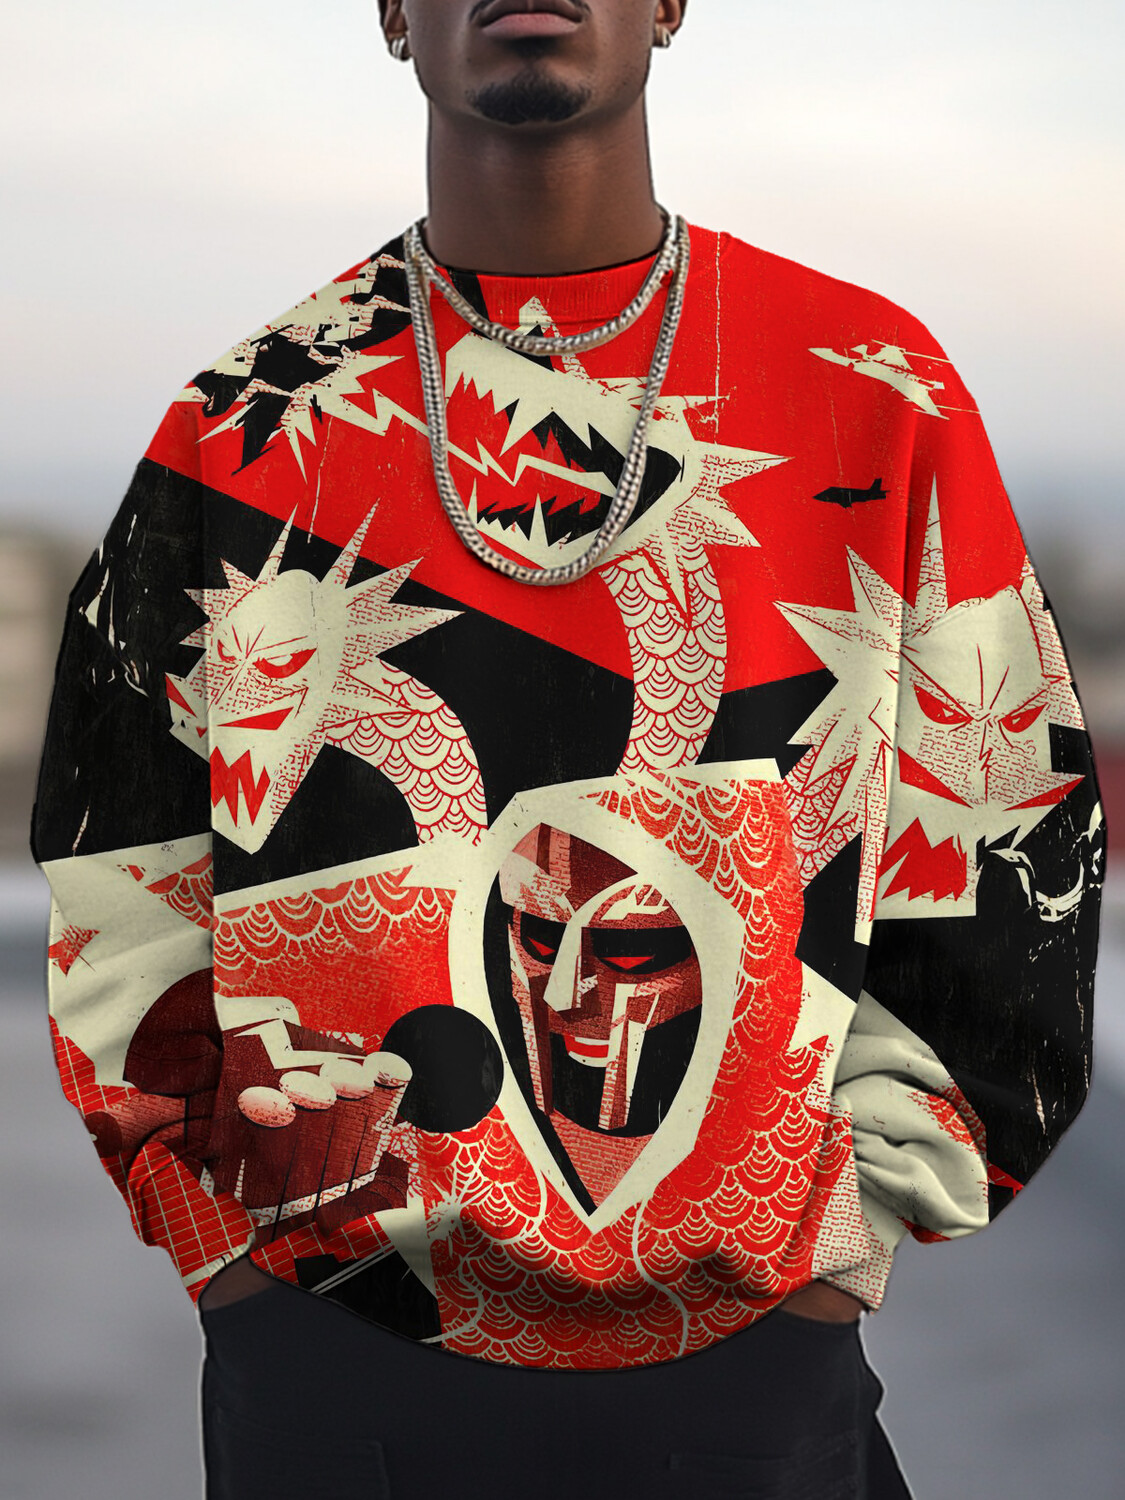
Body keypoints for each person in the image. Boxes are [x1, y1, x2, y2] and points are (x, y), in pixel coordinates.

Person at [31, 2, 1103, 1496]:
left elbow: (1010, 815)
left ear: (670, 4)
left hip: (753, 1356)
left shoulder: (869, 389)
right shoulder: (243, 425)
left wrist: (847, 1237)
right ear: (392, 12)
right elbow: (120, 860)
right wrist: (228, 1251)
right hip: (330, 1358)